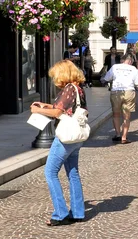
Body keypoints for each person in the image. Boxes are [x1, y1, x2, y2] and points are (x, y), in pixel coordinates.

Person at [30, 60, 87, 226]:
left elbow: (56, 112)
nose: (55, 79)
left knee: (50, 172)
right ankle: (77, 212)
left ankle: (60, 213)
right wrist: (45, 105)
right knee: (73, 173)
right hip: (76, 137)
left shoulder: (69, 88)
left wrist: (38, 110)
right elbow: (63, 108)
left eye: (55, 75)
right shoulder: (78, 88)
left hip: (66, 137)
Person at [102, 53, 138, 143]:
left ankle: (118, 134)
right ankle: (124, 137)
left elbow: (107, 78)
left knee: (116, 114)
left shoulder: (115, 67)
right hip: (129, 91)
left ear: (122, 60)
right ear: (130, 60)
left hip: (116, 91)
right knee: (126, 115)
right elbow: (137, 83)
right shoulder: (133, 68)